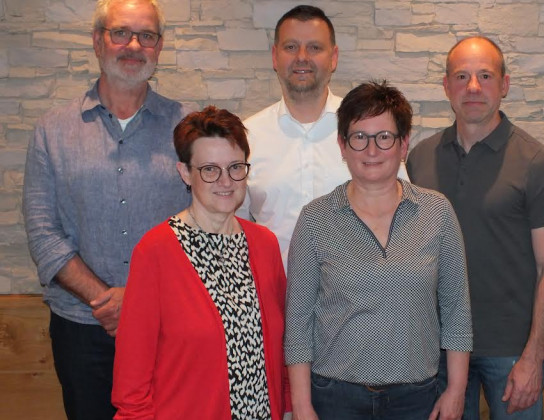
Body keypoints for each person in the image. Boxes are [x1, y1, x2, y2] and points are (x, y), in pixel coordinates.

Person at [22, 1, 191, 418]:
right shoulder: (52, 131)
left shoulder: (188, 128)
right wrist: (107, 301)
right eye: (121, 33)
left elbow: (207, 224)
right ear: (98, 41)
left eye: (146, 36)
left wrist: (142, 302)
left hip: (169, 326)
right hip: (82, 327)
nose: (133, 45)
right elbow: (43, 232)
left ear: (159, 47)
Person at [284, 81, 473, 420]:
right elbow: (298, 322)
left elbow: (456, 310)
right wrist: (301, 404)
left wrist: (456, 390)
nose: (371, 150)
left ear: (403, 144)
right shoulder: (315, 219)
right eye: (359, 137)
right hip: (335, 398)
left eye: (384, 137)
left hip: (417, 397)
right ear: (342, 145)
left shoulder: (437, 212)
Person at [407, 36, 544, 419]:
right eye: (461, 76)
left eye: (485, 75)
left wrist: (534, 356)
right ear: (447, 86)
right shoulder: (420, 159)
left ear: (505, 85)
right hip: (438, 350)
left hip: (511, 352)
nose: (473, 87)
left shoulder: (536, 163)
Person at [112, 106, 289, 419]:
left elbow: (282, 349)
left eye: (235, 167)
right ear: (185, 173)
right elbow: (132, 383)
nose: (226, 181)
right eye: (210, 169)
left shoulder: (265, 245)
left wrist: (288, 408)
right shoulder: (156, 252)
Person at [238, 5, 406, 269]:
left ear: (333, 57)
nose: (302, 57)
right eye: (291, 47)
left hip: (356, 291)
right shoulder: (247, 139)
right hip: (274, 291)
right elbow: (233, 227)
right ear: (275, 57)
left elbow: (403, 214)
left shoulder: (368, 130)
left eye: (314, 47)